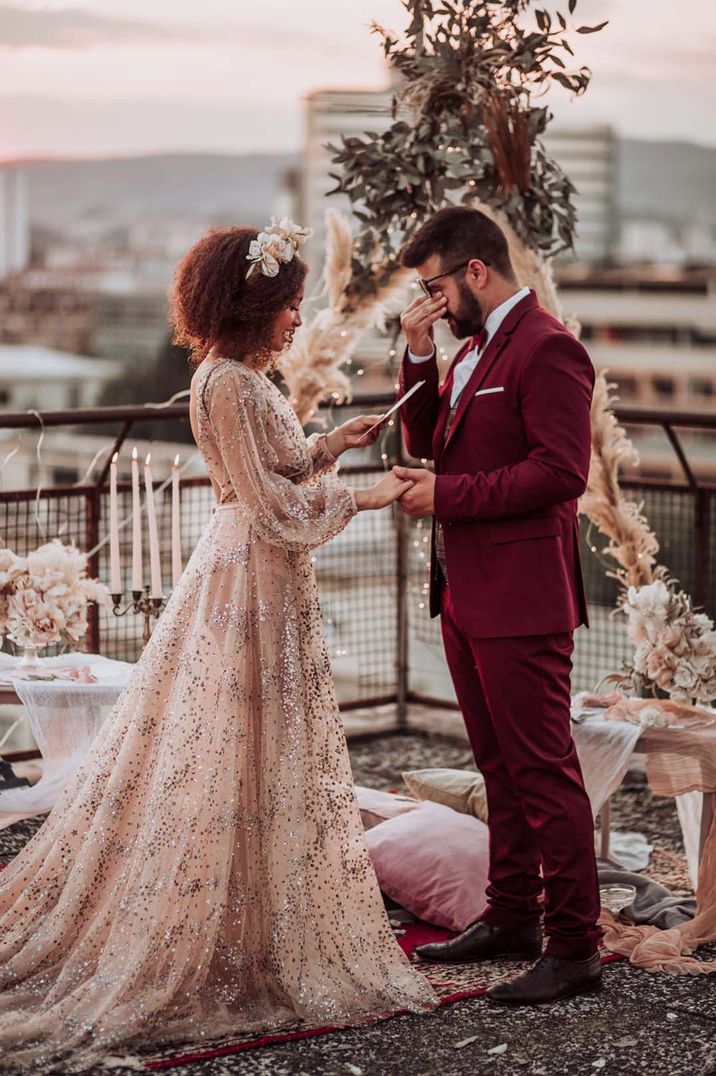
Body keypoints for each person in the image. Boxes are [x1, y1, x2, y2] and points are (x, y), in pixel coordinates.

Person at [0, 221, 435, 1072]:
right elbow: (275, 513)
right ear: (255, 306)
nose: (299, 323)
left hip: (248, 572)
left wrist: (326, 448)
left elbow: (267, 479)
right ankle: (231, 933)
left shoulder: (227, 378)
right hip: (255, 578)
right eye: (290, 306)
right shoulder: (232, 384)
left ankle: (249, 922)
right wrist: (370, 496)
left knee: (251, 746)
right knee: (242, 744)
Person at [393, 206, 602, 1005]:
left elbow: (561, 472)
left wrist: (450, 495)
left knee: (544, 772)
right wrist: (419, 354)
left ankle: (575, 948)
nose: (433, 303)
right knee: (498, 767)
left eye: (436, 288)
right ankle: (511, 915)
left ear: (476, 272)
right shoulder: (474, 348)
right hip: (468, 597)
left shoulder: (548, 349)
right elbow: (423, 442)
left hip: (523, 598)